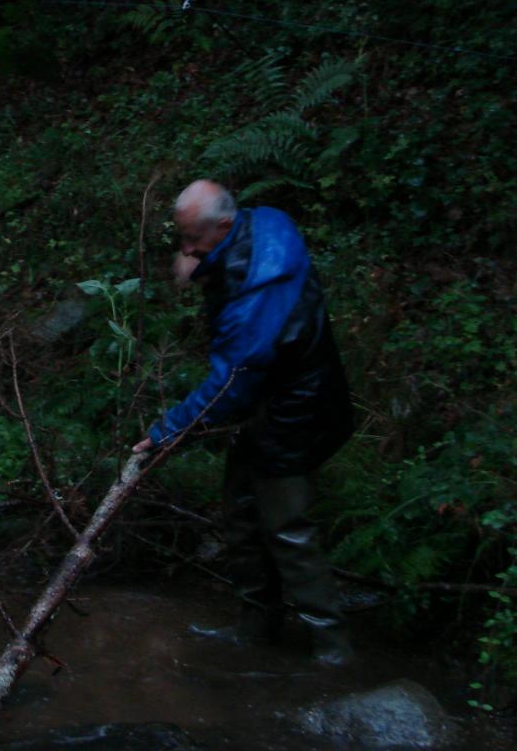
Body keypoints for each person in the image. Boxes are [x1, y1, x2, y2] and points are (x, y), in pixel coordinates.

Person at [133, 180, 355, 666]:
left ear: (226, 226)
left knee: (289, 529)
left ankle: (334, 652)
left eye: (194, 240)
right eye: (183, 239)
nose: (186, 250)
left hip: (299, 409)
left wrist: (167, 430)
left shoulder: (257, 296)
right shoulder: (265, 221)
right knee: (240, 515)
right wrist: (204, 264)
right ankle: (255, 628)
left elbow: (228, 387)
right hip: (267, 403)